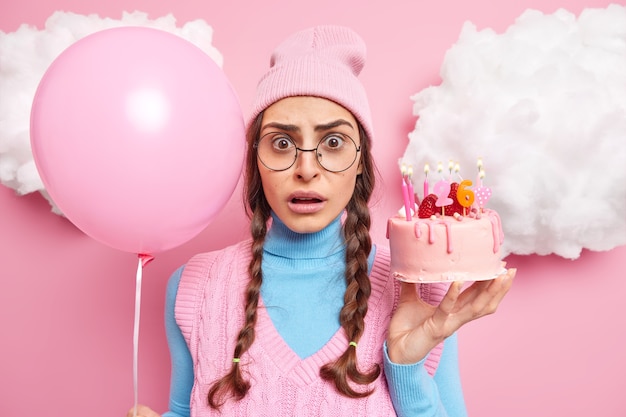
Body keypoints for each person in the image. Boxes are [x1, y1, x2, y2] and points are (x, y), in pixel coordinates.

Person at [128, 25, 515, 417]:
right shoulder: (194, 288)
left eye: (333, 142)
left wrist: (406, 367)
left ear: (360, 160)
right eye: (282, 143)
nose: (306, 169)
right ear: (254, 159)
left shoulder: (419, 292)